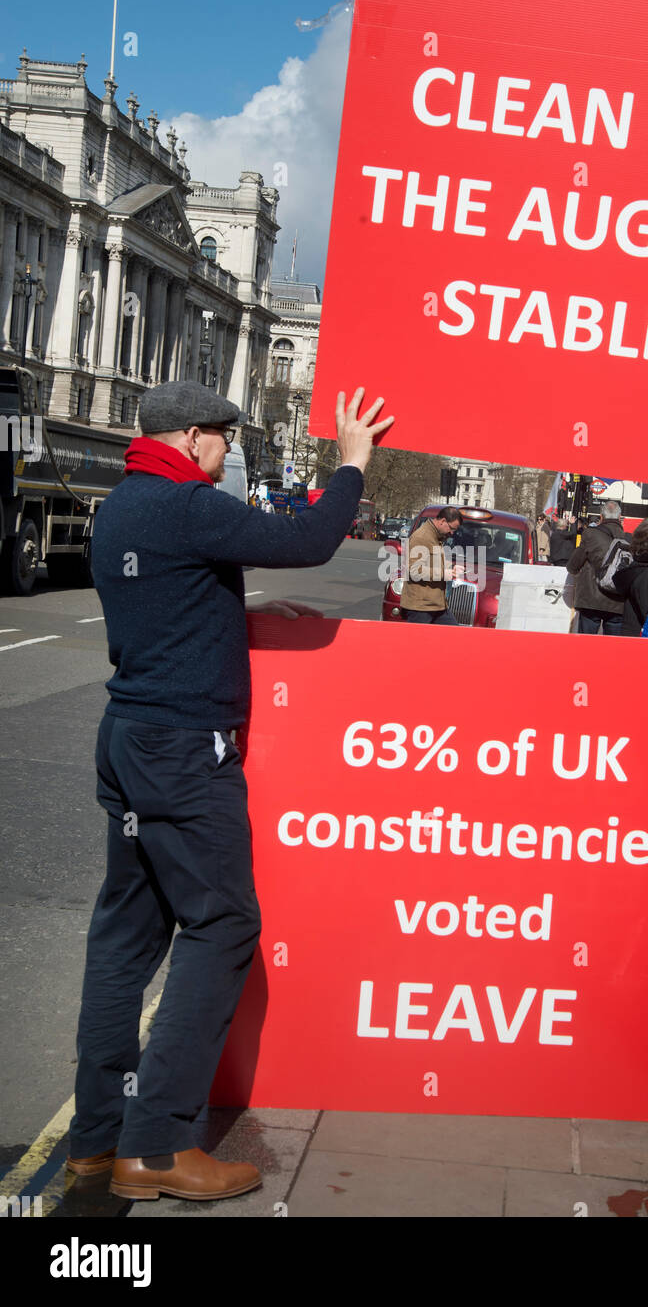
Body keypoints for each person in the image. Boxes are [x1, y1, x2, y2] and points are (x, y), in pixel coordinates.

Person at [66, 381, 392, 1202]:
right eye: (220, 437)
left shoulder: (125, 505)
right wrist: (352, 462)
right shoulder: (188, 504)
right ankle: (161, 1144)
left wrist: (233, 616)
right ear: (192, 438)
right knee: (222, 924)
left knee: (126, 937)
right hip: (183, 747)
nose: (224, 453)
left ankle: (98, 1139)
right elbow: (313, 537)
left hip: (129, 736)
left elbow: (159, 609)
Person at [567, 499, 629, 635]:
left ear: (601, 517)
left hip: (591, 600)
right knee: (612, 651)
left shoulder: (590, 534)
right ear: (619, 518)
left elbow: (573, 566)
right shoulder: (628, 539)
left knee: (586, 648)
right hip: (618, 602)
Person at [399, 506, 463, 625]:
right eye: (451, 528)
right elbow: (414, 570)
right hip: (420, 608)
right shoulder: (422, 537)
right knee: (417, 643)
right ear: (443, 521)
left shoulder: (435, 536)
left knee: (455, 636)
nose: (452, 533)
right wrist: (445, 574)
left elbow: (433, 562)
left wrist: (451, 569)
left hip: (435, 606)